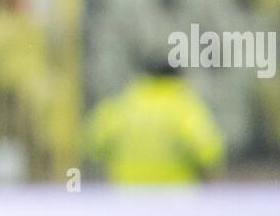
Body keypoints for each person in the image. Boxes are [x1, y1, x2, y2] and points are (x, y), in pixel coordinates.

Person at [85, 58, 225, 184]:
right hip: (175, 199)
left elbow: (94, 145)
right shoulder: (183, 106)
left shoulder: (123, 104)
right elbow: (207, 152)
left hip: (126, 197)